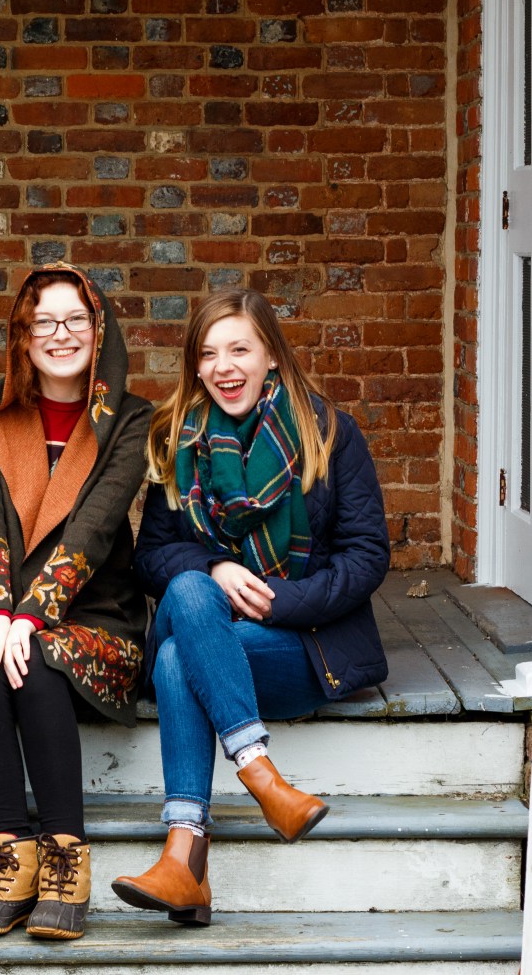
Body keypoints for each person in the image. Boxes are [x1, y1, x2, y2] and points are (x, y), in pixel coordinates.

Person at [111, 287, 390, 926]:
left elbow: (366, 555)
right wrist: (217, 566)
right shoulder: (176, 438)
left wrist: (275, 602)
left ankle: (184, 857)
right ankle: (260, 773)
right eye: (208, 354)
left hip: (298, 640)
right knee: (190, 590)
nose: (224, 367)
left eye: (239, 349)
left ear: (271, 355)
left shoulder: (329, 433)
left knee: (177, 658)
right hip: (211, 620)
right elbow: (152, 556)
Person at [0, 264, 152, 942]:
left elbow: (93, 529)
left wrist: (32, 617)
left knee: (31, 658)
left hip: (96, 614)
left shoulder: (130, 419)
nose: (60, 334)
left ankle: (67, 860)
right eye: (43, 322)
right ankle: (10, 859)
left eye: (75, 320)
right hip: (2, 598)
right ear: (22, 335)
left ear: (99, 329)